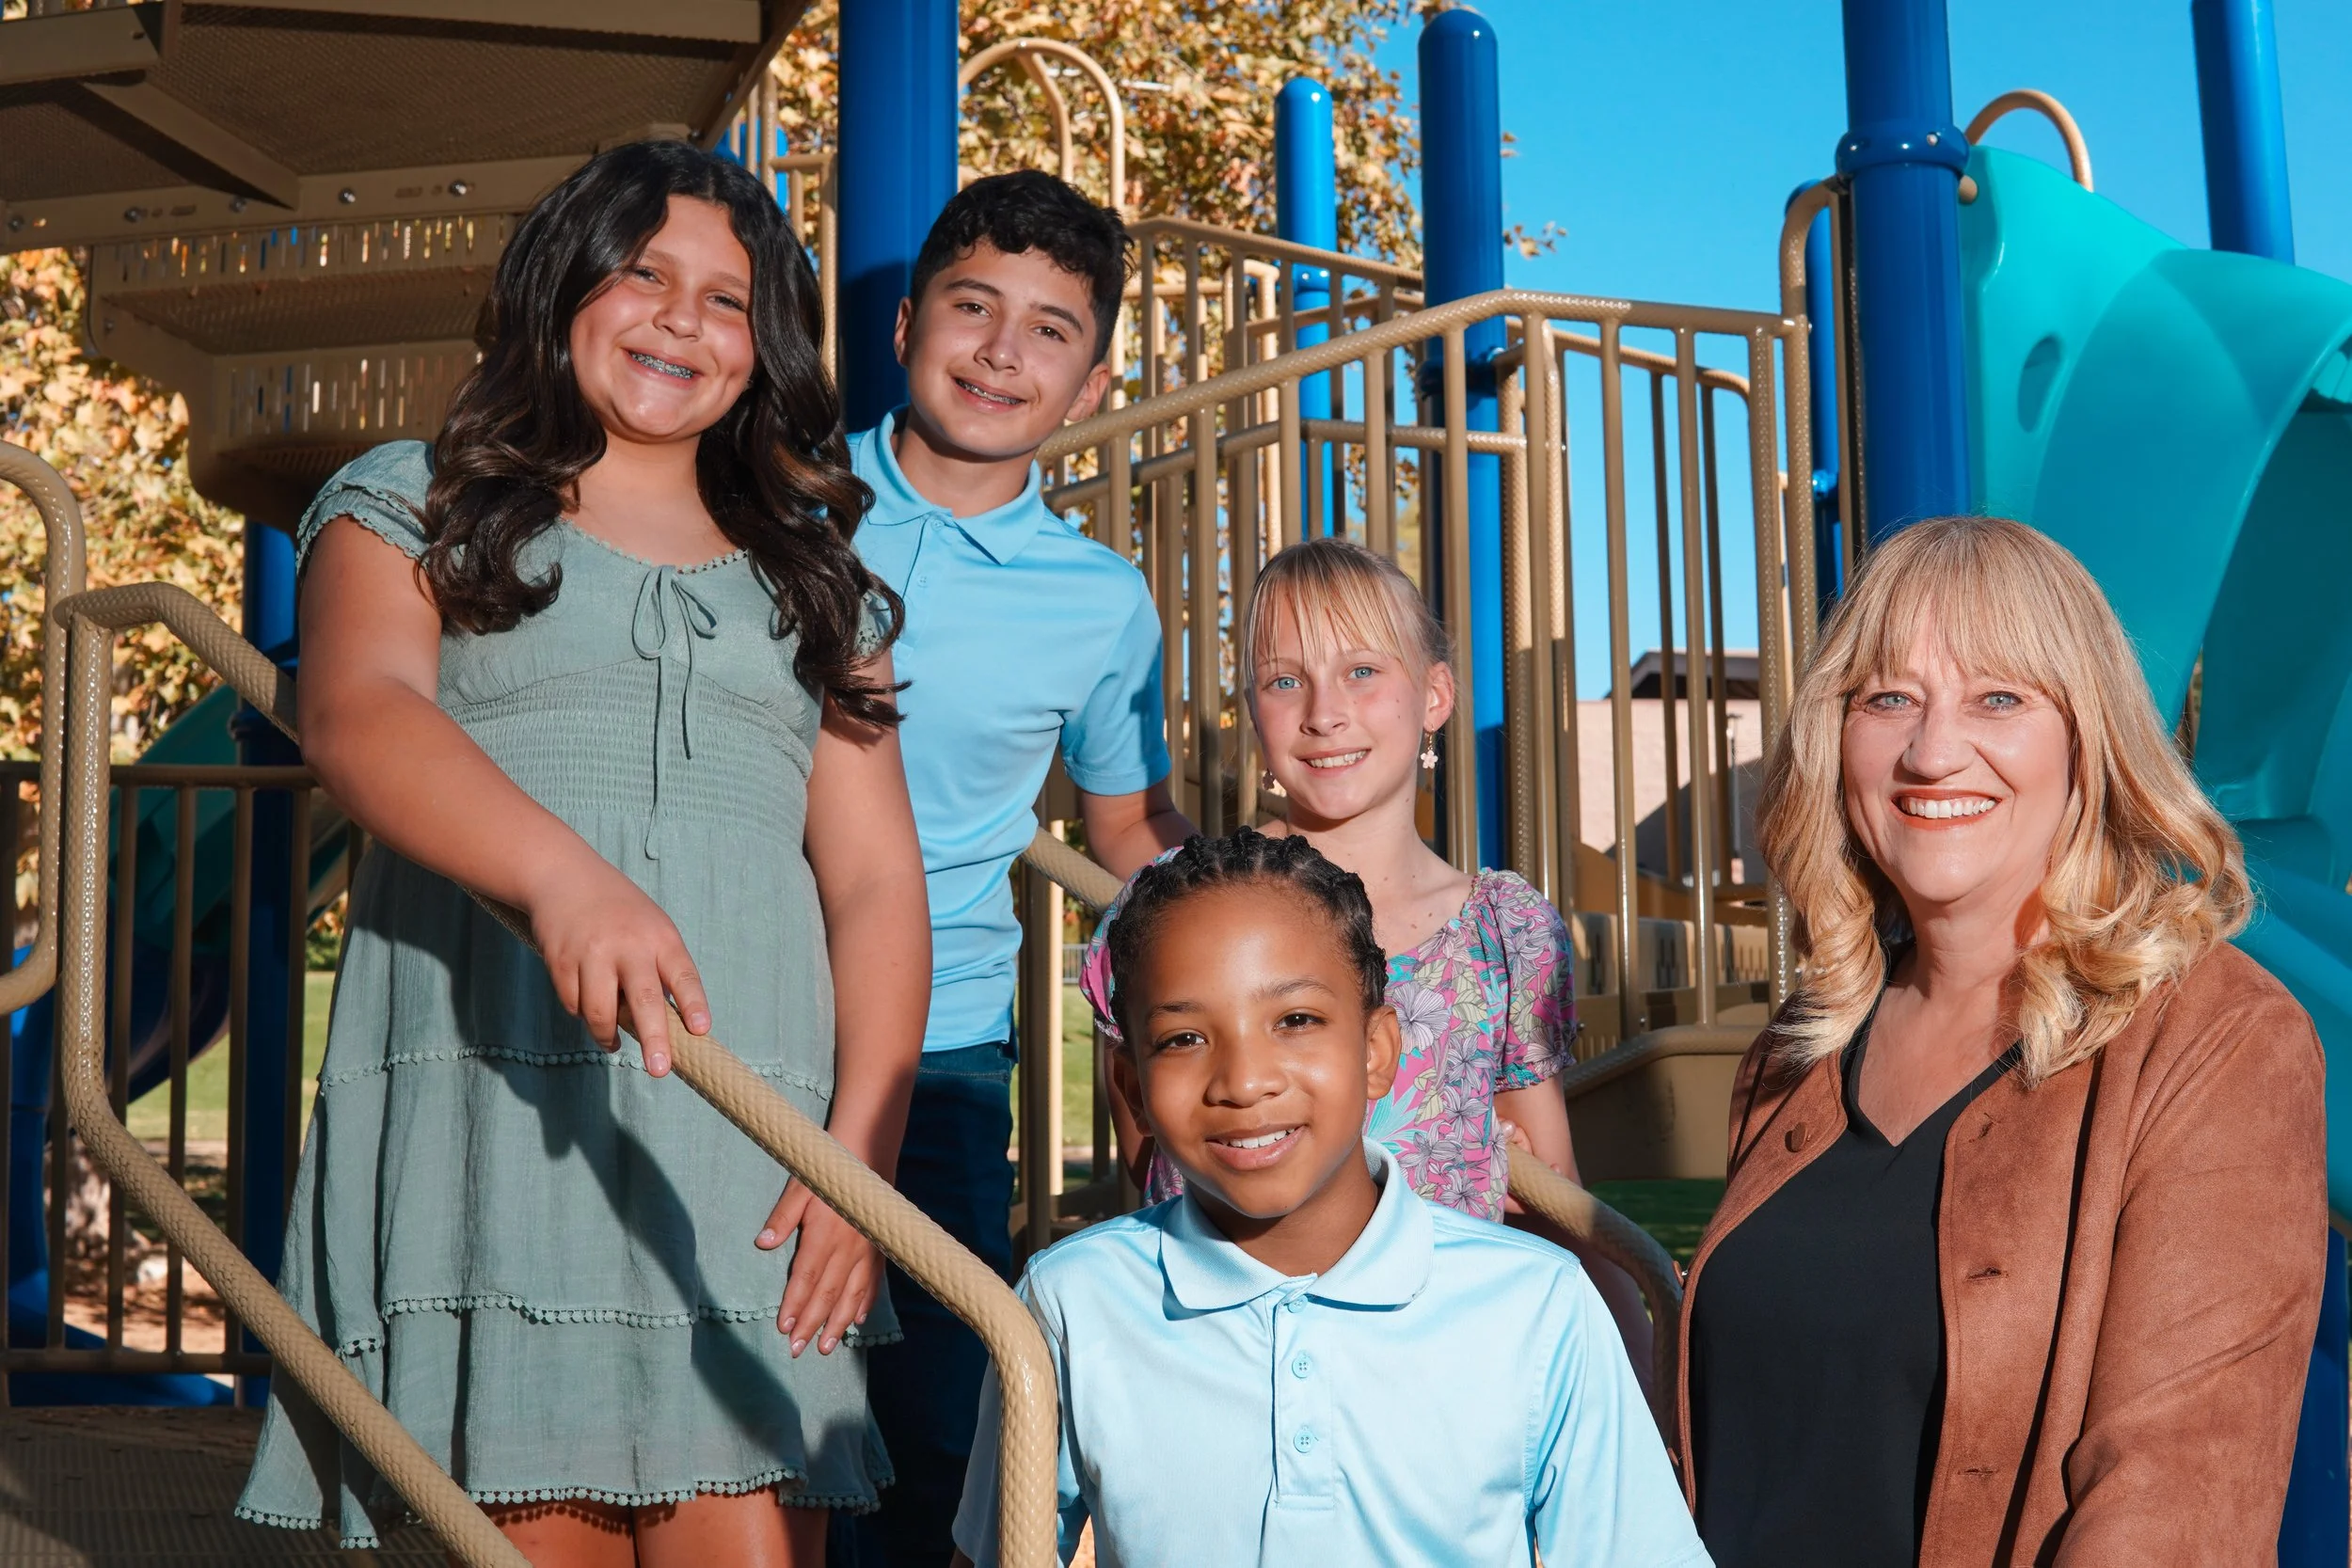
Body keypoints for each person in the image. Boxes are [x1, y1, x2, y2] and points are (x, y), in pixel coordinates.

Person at [236, 141, 930, 1566]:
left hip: (749, 1134)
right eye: (643, 274)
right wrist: (562, 873)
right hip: (497, 1103)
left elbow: (872, 880)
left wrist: (861, 1157)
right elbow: (360, 713)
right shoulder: (422, 497)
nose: (682, 318)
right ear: (562, 288)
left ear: (767, 344)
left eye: (727, 299)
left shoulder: (805, 575)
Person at [1679, 515, 2328, 1566]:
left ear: (2087, 736)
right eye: (1887, 697)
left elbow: (2176, 1497)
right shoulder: (1794, 1056)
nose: (1933, 750)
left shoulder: (2214, 1040)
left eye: (1998, 698)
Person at [950, 830, 1708, 1568]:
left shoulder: (1536, 1307)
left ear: (1378, 1052)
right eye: (1183, 1038)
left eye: (1296, 1020)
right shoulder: (1070, 1302)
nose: (1244, 1081)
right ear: (1131, 1088)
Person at [840, 170, 1191, 1566]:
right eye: (974, 308)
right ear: (908, 321)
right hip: (724, 1012)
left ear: (1091, 381)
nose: (1001, 351)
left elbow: (1126, 831)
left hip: (941, 1045)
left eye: (1050, 330)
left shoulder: (1098, 597)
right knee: (719, 1410)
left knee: (938, 1427)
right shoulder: (770, 505)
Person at [1078, 536, 1651, 1370]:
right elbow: (1146, 1134)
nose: (1323, 711)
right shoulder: (1174, 908)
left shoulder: (1501, 931)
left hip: (1432, 1364)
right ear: (1252, 709)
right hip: (1219, 1355)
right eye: (1285, 681)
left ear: (1435, 695)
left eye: (1361, 671)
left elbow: (1555, 1197)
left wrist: (1639, 1384)